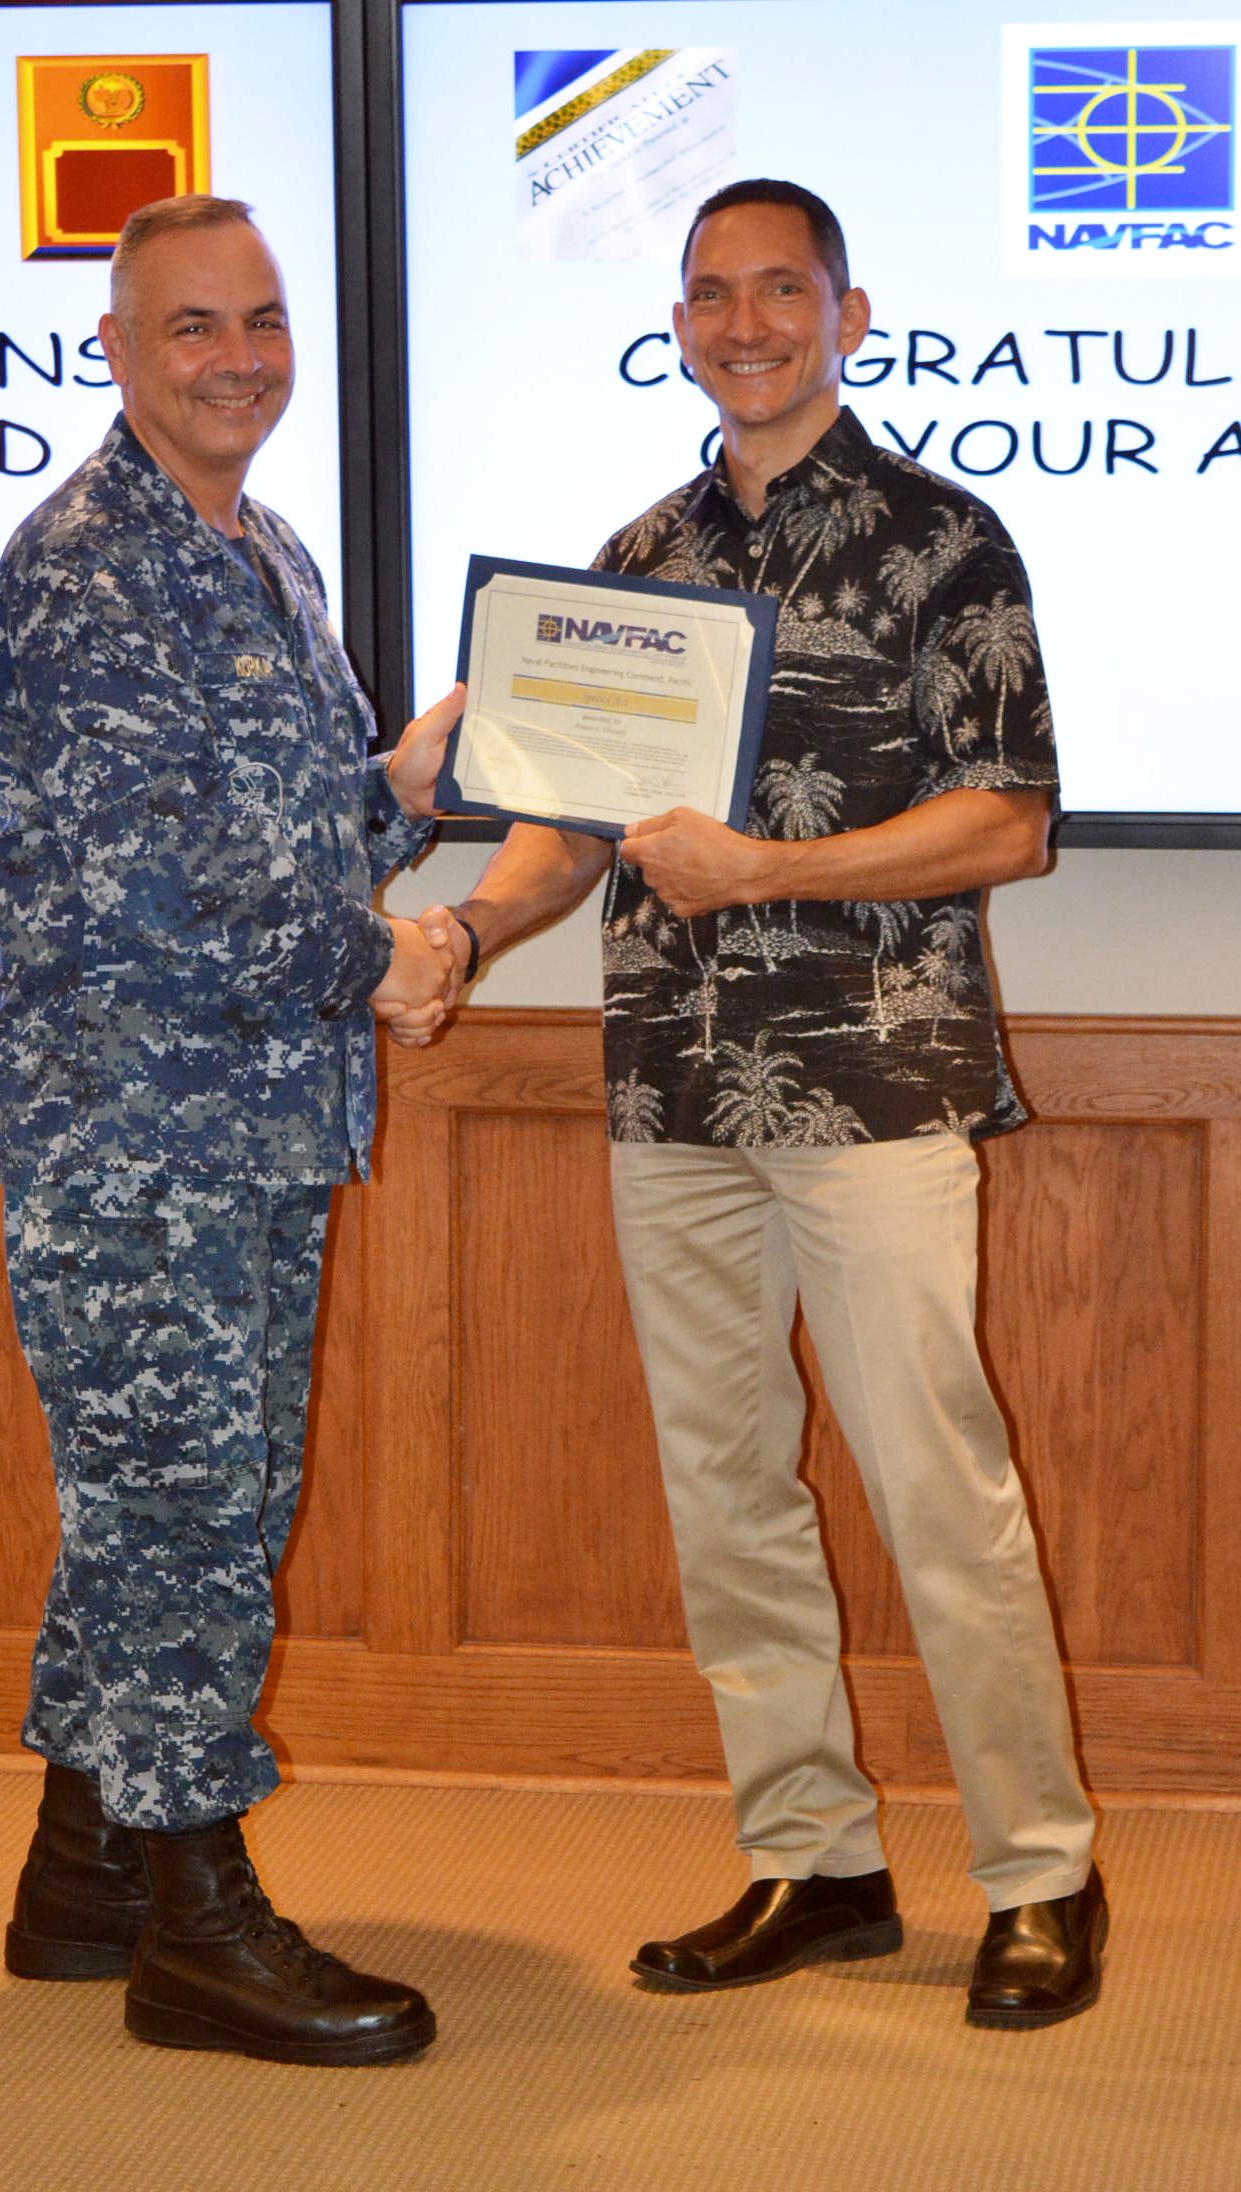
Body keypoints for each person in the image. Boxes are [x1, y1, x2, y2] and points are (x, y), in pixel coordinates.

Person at [422, 179, 1106, 2029]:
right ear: (680, 320)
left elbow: (1009, 821)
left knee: (934, 1488)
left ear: (849, 312)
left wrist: (765, 877)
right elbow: (567, 829)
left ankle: (1042, 1875)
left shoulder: (945, 539)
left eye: (779, 291)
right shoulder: (632, 558)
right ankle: (816, 1861)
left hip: (875, 1085)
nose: (744, 324)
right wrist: (467, 929)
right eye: (711, 295)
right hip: (673, 1088)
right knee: (726, 1494)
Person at [0, 194, 461, 2066]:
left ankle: (83, 1873)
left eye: (261, 320)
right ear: (116, 348)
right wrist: (386, 957)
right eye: (193, 326)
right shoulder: (87, 564)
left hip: (250, 1125)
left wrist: (401, 791)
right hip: (136, 1136)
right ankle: (198, 1919)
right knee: (182, 1510)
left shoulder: (260, 548)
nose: (240, 355)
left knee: (190, 1498)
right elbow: (167, 887)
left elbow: (277, 834)